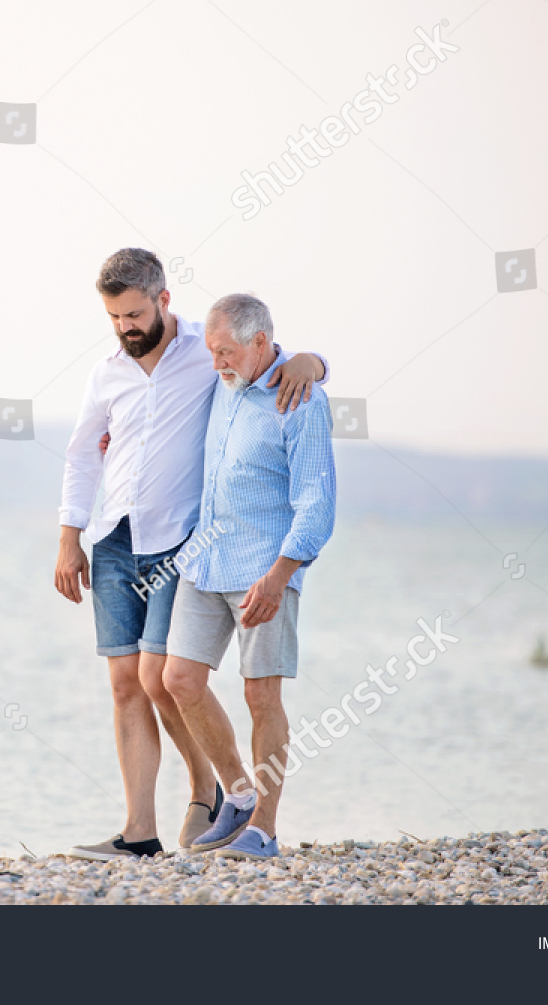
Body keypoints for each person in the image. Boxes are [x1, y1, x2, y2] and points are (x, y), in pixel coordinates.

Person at [54, 250, 328, 860]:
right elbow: (82, 453)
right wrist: (70, 534)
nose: (125, 325)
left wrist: (315, 362)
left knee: (168, 679)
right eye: (114, 315)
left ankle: (226, 800)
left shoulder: (207, 359)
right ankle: (140, 831)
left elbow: (271, 361)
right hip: (120, 538)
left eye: (133, 312)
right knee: (136, 682)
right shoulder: (118, 372)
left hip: (184, 541)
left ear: (162, 300)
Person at [163, 292, 337, 861]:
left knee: (262, 696)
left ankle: (264, 828)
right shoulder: (224, 384)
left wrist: (280, 574)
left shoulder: (302, 400)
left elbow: (317, 504)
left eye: (227, 351)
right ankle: (236, 794)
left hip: (265, 569)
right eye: (213, 351)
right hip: (204, 561)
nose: (217, 362)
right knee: (179, 680)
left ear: (260, 343)